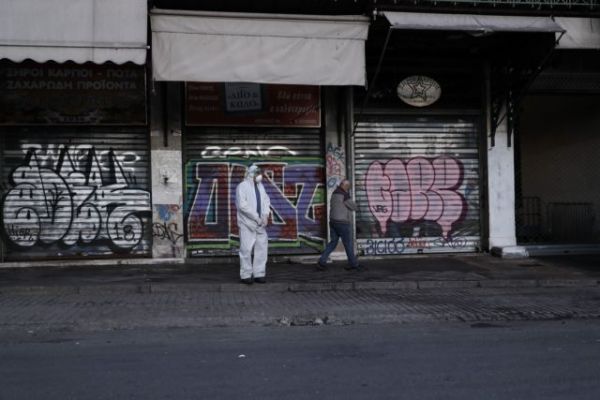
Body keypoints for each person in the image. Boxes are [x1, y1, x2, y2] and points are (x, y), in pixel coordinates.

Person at [235, 164, 271, 284]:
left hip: (260, 224)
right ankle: (246, 275)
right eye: (257, 173)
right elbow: (242, 206)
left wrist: (265, 215)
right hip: (247, 224)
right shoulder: (242, 186)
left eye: (259, 173)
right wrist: (256, 217)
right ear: (251, 174)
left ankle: (259, 274)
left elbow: (266, 200)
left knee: (262, 249)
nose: (259, 175)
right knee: (246, 249)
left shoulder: (260, 186)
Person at [318, 179, 364, 271]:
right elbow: (354, 207)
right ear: (344, 185)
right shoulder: (344, 195)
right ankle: (353, 264)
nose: (348, 188)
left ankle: (321, 262)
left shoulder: (334, 193)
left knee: (333, 243)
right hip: (342, 223)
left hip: (333, 222)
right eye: (348, 186)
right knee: (348, 244)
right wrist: (357, 205)